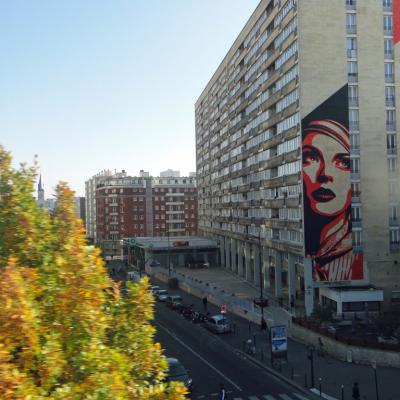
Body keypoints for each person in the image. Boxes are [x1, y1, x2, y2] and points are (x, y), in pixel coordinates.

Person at [302, 119, 363, 282]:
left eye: (343, 162)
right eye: (311, 157)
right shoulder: (307, 246)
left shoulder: (356, 255)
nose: (324, 174)